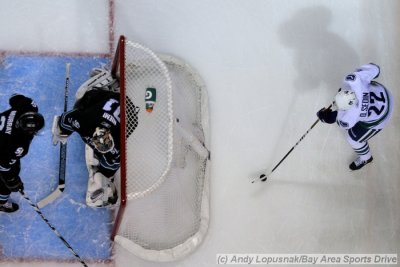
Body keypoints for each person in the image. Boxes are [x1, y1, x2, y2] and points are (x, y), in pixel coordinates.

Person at [52, 68, 138, 207]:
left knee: (106, 169)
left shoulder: (115, 152)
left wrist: (103, 179)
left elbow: (66, 119)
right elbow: (66, 119)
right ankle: (104, 82)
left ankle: (110, 90)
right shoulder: (84, 121)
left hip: (128, 110)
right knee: (81, 97)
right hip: (108, 99)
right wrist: (62, 130)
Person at [317, 63, 393, 170]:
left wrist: (325, 118)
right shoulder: (354, 80)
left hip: (381, 118)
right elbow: (376, 69)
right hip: (385, 94)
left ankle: (366, 158)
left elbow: (336, 119)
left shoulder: (349, 117)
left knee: (353, 138)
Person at [0, 94, 44, 213]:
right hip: (3, 151)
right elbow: (4, 166)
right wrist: (12, 180)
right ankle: (1, 202)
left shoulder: (24, 106)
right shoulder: (18, 145)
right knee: (5, 179)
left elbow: (14, 98)